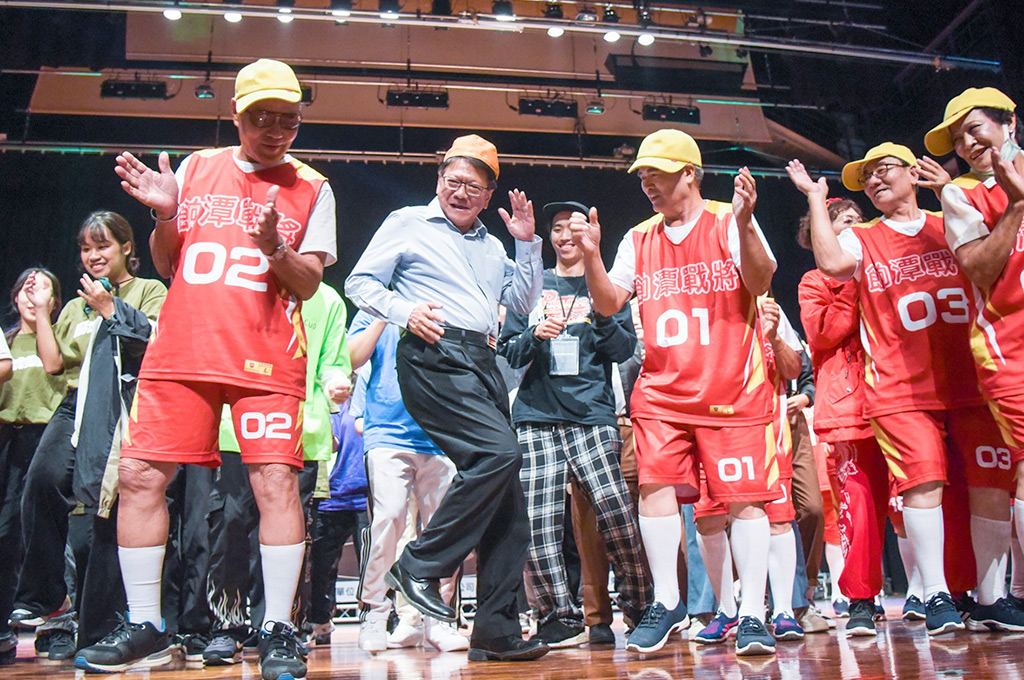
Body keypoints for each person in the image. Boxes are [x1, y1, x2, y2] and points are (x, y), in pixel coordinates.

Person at [75, 58, 337, 680]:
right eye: (263, 118)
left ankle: (278, 629)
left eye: (289, 121)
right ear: (237, 115)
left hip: (266, 355)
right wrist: (167, 215)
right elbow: (168, 265)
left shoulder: (313, 186)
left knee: (275, 484)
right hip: (183, 350)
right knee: (140, 476)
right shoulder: (195, 167)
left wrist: (275, 246)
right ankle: (147, 626)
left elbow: (307, 284)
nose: (277, 131)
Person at [570, 128, 782, 656]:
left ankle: (752, 614)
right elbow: (608, 304)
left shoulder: (728, 219)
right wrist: (592, 257)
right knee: (654, 489)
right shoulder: (638, 237)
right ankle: (667, 601)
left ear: (690, 173)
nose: (647, 183)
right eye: (642, 175)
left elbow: (760, 281)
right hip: (662, 392)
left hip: (732, 389)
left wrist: (747, 223)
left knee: (743, 501)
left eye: (657, 174)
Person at [787, 143, 1013, 636]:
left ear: (913, 172)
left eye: (882, 169)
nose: (874, 180)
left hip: (971, 380)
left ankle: (989, 596)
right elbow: (830, 267)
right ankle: (930, 594)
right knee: (915, 488)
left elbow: (997, 264)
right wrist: (814, 198)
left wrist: (960, 193)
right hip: (897, 389)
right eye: (866, 176)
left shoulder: (951, 221)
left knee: (983, 490)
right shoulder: (862, 239)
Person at [345, 134, 548, 662]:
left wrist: (527, 244)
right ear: (438, 180)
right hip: (432, 351)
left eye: (473, 187)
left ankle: (495, 630)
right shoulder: (407, 222)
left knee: (510, 506)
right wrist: (404, 311)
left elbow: (521, 302)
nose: (461, 193)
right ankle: (420, 565)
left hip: (482, 359)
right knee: (498, 454)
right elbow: (359, 282)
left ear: (488, 196)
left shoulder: (492, 246)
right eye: (453, 181)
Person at [15, 214, 167, 661]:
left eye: (103, 246)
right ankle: (49, 598)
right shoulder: (73, 305)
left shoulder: (148, 291)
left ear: (126, 247)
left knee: (107, 514)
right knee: (41, 481)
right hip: (74, 402)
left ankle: (101, 630)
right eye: (86, 249)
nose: (93, 256)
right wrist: (44, 313)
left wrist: (109, 307)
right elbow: (53, 364)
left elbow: (153, 342)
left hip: (120, 403)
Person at [498, 200, 649, 648]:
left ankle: (640, 606)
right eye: (558, 228)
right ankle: (556, 617)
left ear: (591, 235)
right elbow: (509, 351)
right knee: (539, 523)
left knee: (616, 514)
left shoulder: (605, 285)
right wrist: (532, 335)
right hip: (536, 416)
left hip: (592, 415)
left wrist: (600, 314)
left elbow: (623, 350)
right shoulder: (533, 285)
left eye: (574, 228)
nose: (565, 236)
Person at [202, 281, 351, 666]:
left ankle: (280, 626)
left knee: (291, 535)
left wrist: (335, 381)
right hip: (238, 428)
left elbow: (334, 361)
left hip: (301, 430)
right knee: (231, 524)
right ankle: (228, 624)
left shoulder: (328, 300)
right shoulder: (242, 283)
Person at [924, 87, 1024, 630]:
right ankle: (994, 594)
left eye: (973, 129)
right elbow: (980, 269)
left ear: (1009, 123)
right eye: (957, 139)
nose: (966, 144)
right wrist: (1018, 205)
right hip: (1009, 347)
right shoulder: (959, 193)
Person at [345, 312, 467, 654]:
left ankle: (438, 619)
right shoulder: (372, 307)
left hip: (440, 433)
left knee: (443, 530)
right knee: (388, 520)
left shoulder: (444, 303)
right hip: (387, 432)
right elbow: (352, 357)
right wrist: (387, 313)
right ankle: (374, 612)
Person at [0, 271, 43, 665]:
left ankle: (53, 613)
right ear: (14, 298)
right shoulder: (8, 341)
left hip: (45, 438)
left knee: (37, 529)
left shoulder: (54, 337)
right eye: (26, 290)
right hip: (8, 441)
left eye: (41, 289)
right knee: (8, 531)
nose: (32, 297)